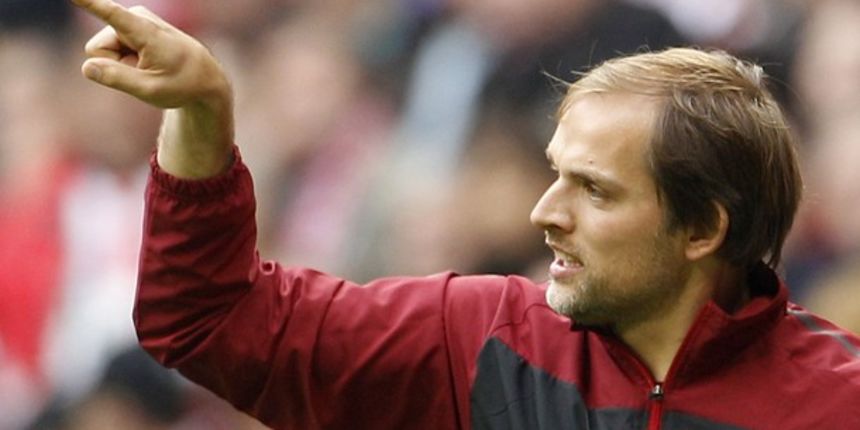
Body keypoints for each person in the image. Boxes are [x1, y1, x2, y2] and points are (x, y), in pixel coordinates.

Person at [70, 0, 860, 429]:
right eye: (556, 175)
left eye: (596, 189)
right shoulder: (477, 335)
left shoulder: (839, 403)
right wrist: (202, 115)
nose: (544, 212)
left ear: (703, 230)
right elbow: (203, 321)